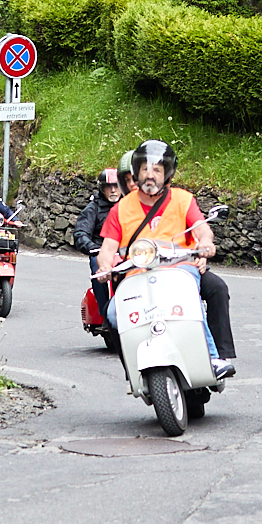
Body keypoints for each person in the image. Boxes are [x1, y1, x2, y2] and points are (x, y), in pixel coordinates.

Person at [96, 140, 236, 377]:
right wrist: (104, 267)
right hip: (138, 275)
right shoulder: (120, 209)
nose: (150, 175)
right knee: (112, 314)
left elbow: (202, 229)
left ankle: (213, 357)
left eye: (157, 170)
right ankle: (133, 371)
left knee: (200, 295)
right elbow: (107, 249)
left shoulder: (183, 199)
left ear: (167, 174)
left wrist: (205, 243)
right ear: (136, 172)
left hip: (179, 269)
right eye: (145, 169)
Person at [73, 168, 124, 323]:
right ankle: (105, 314)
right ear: (102, 188)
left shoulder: (129, 206)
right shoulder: (93, 209)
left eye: (116, 186)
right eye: (109, 187)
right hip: (102, 252)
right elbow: (81, 233)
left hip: (126, 252)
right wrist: (93, 248)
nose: (113, 190)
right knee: (97, 265)